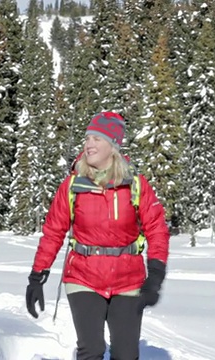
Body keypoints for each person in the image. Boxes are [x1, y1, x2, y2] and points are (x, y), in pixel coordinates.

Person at [25, 112, 170, 360]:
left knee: (126, 354)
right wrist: (37, 277)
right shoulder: (73, 185)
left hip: (128, 278)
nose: (89, 145)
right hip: (83, 275)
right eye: (87, 138)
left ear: (113, 145)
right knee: (91, 350)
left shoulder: (135, 184)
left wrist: (155, 275)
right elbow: (53, 231)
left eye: (97, 139)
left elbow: (157, 228)